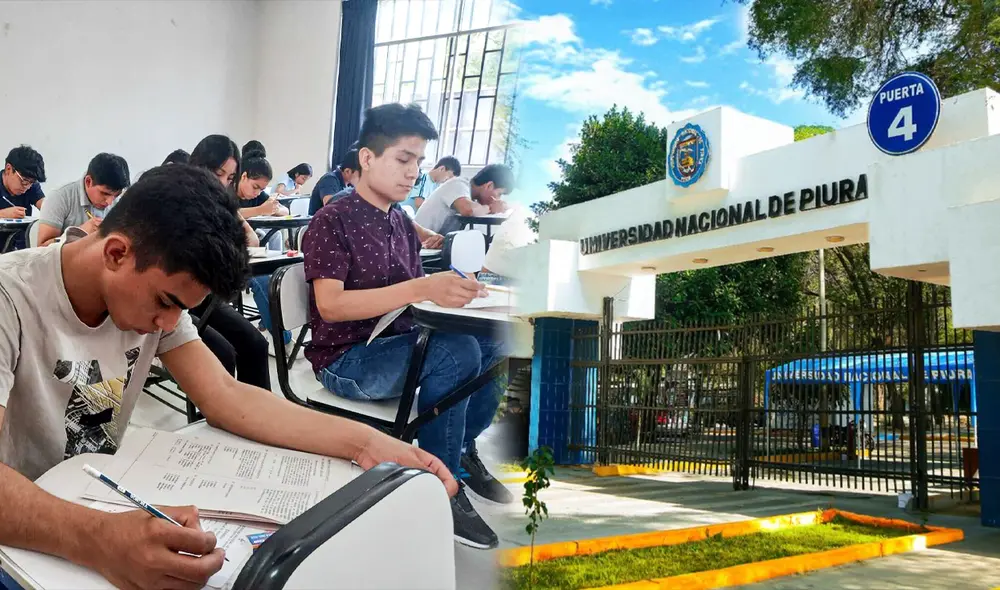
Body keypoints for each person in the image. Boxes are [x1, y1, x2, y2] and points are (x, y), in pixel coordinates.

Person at [0, 164, 456, 588]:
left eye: (180, 309)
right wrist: (100, 539)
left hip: (95, 495)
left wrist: (366, 442)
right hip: (22, 533)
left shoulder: (155, 293)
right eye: (165, 303)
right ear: (116, 253)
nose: (167, 324)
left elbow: (224, 395)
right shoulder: (11, 297)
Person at [303, 103, 512, 550]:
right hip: (346, 359)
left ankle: (460, 450)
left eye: (418, 161)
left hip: (397, 344)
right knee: (457, 352)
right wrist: (422, 287)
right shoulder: (331, 220)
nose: (413, 172)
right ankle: (439, 483)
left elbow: (414, 296)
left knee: (494, 340)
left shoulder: (399, 220)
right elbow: (331, 306)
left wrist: (456, 292)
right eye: (403, 159)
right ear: (367, 158)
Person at [188, 135, 271, 390]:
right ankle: (218, 413)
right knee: (222, 354)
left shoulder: (219, 202)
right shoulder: (179, 199)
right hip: (175, 300)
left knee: (256, 344)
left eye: (229, 177)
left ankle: (255, 412)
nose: (221, 182)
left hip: (203, 297)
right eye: (218, 173)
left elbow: (250, 240)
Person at [37, 153, 130, 247]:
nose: (109, 202)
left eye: (116, 195)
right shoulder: (59, 197)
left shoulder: (119, 202)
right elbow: (42, 249)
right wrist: (77, 233)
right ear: (88, 181)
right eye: (105, 193)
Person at [414, 163, 515, 235]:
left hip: (430, 245)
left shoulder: (472, 197)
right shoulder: (458, 184)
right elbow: (469, 210)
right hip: (417, 245)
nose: (497, 199)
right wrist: (491, 208)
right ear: (489, 185)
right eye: (499, 194)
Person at [0, 146, 46, 250]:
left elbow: (46, 207)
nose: (27, 187)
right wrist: (2, 214)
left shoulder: (31, 186)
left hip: (21, 247)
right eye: (24, 181)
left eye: (31, 182)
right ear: (8, 169)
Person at [309, 150, 360, 215]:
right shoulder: (330, 179)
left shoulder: (349, 184)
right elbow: (331, 207)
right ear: (347, 171)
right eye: (360, 175)